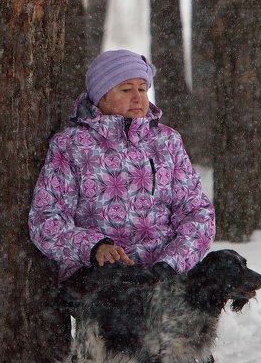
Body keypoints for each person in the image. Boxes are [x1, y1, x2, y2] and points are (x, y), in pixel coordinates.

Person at [29, 49, 215, 283]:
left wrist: (171, 264)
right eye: (126, 90)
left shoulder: (167, 140)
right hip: (97, 274)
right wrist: (95, 247)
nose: (138, 98)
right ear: (101, 96)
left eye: (143, 89)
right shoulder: (70, 145)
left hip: (163, 272)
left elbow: (196, 212)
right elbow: (46, 218)